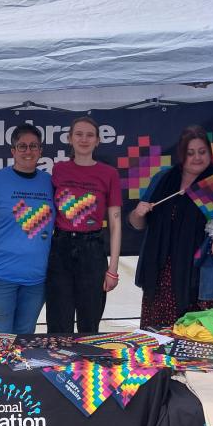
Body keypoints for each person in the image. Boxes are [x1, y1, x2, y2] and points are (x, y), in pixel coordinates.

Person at [128, 125, 213, 329]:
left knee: (209, 345)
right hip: (164, 279)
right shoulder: (162, 179)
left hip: (209, 278)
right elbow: (137, 223)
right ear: (181, 155)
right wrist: (137, 213)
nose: (197, 158)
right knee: (164, 343)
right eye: (190, 153)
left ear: (210, 153)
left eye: (202, 152)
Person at [0, 123, 54, 333]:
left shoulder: (50, 182)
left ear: (40, 151)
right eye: (22, 146)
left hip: (36, 280)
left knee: (25, 338)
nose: (28, 151)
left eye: (33, 146)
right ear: (13, 151)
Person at [45, 116, 122, 333]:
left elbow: (115, 223)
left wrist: (113, 269)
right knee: (59, 323)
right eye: (79, 134)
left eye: (90, 135)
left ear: (97, 141)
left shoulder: (109, 174)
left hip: (92, 250)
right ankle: (59, 366)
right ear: (70, 139)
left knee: (89, 323)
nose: (84, 139)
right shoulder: (58, 169)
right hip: (60, 249)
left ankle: (85, 367)